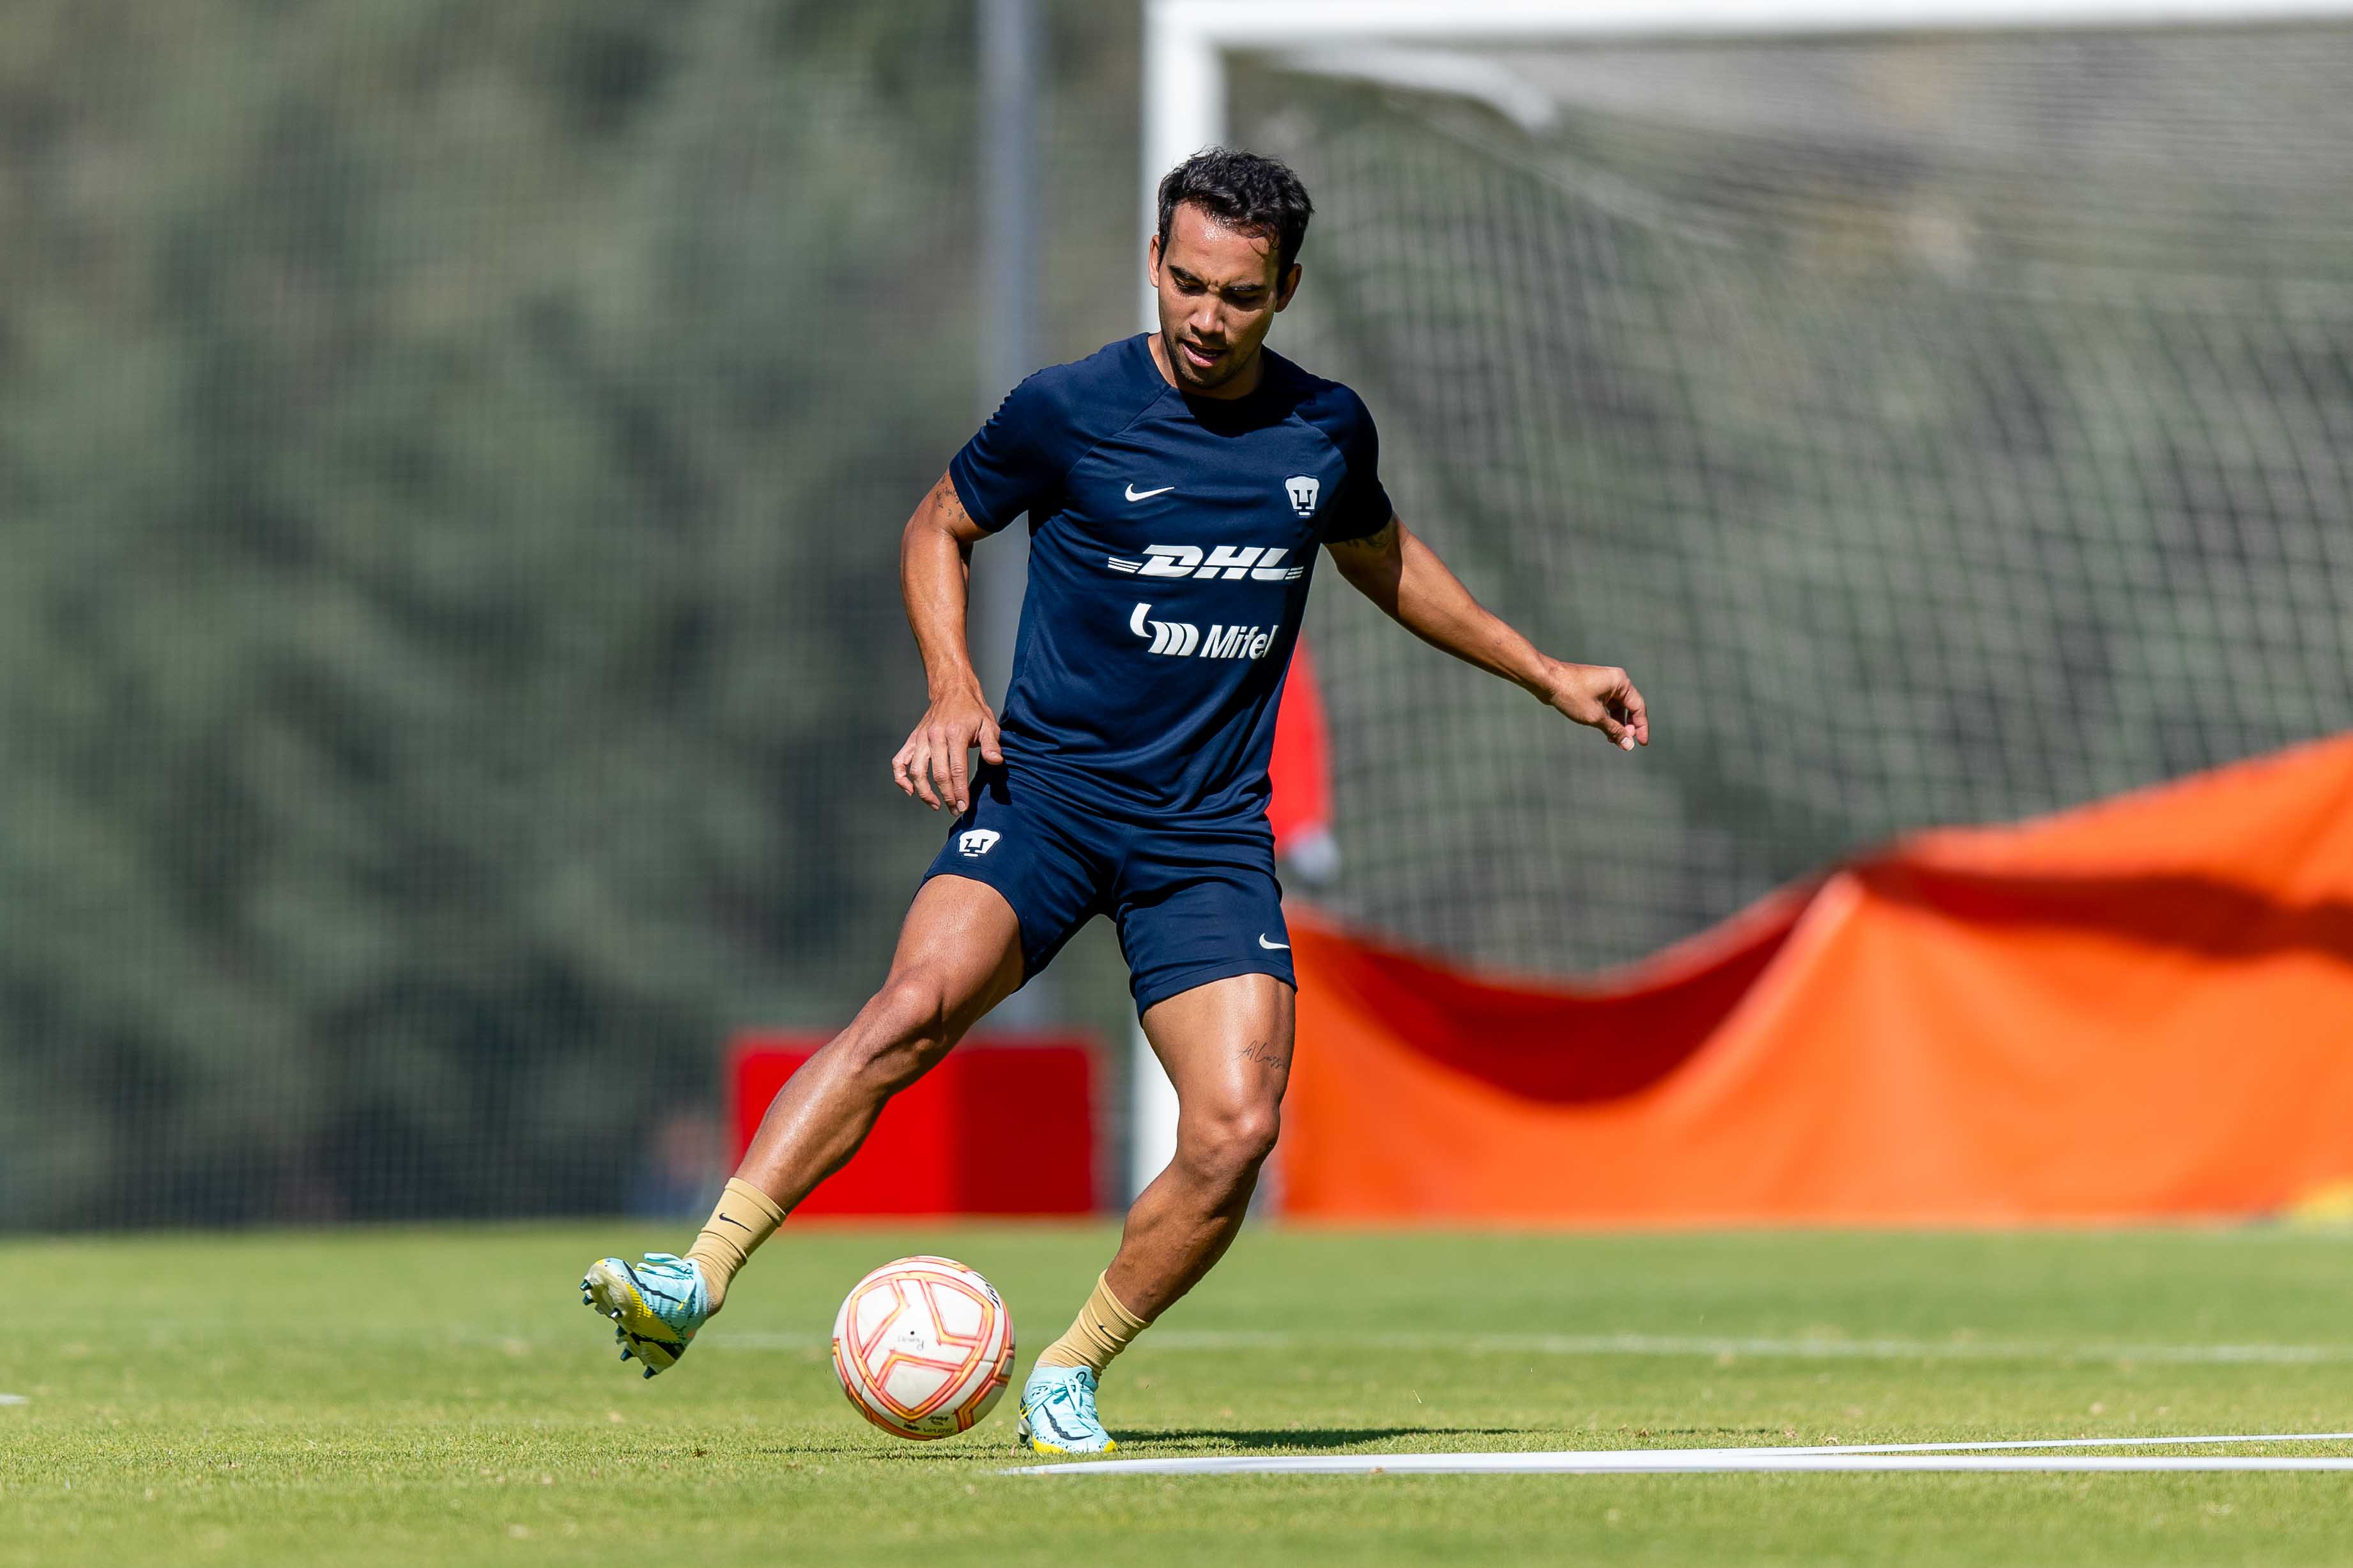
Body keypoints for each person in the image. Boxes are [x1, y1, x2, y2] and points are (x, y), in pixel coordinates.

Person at [581, 149, 1648, 1454]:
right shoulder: (1069, 408)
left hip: (1205, 838)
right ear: (1154, 262)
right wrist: (953, 690)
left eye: (1239, 295)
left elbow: (1383, 558)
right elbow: (937, 524)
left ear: (1285, 291)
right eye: (1188, 283)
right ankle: (696, 1276)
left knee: (1237, 1130)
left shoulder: (1326, 430)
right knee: (909, 1013)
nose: (1207, 317)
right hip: (1047, 801)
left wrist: (1547, 673)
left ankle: (1070, 1372)